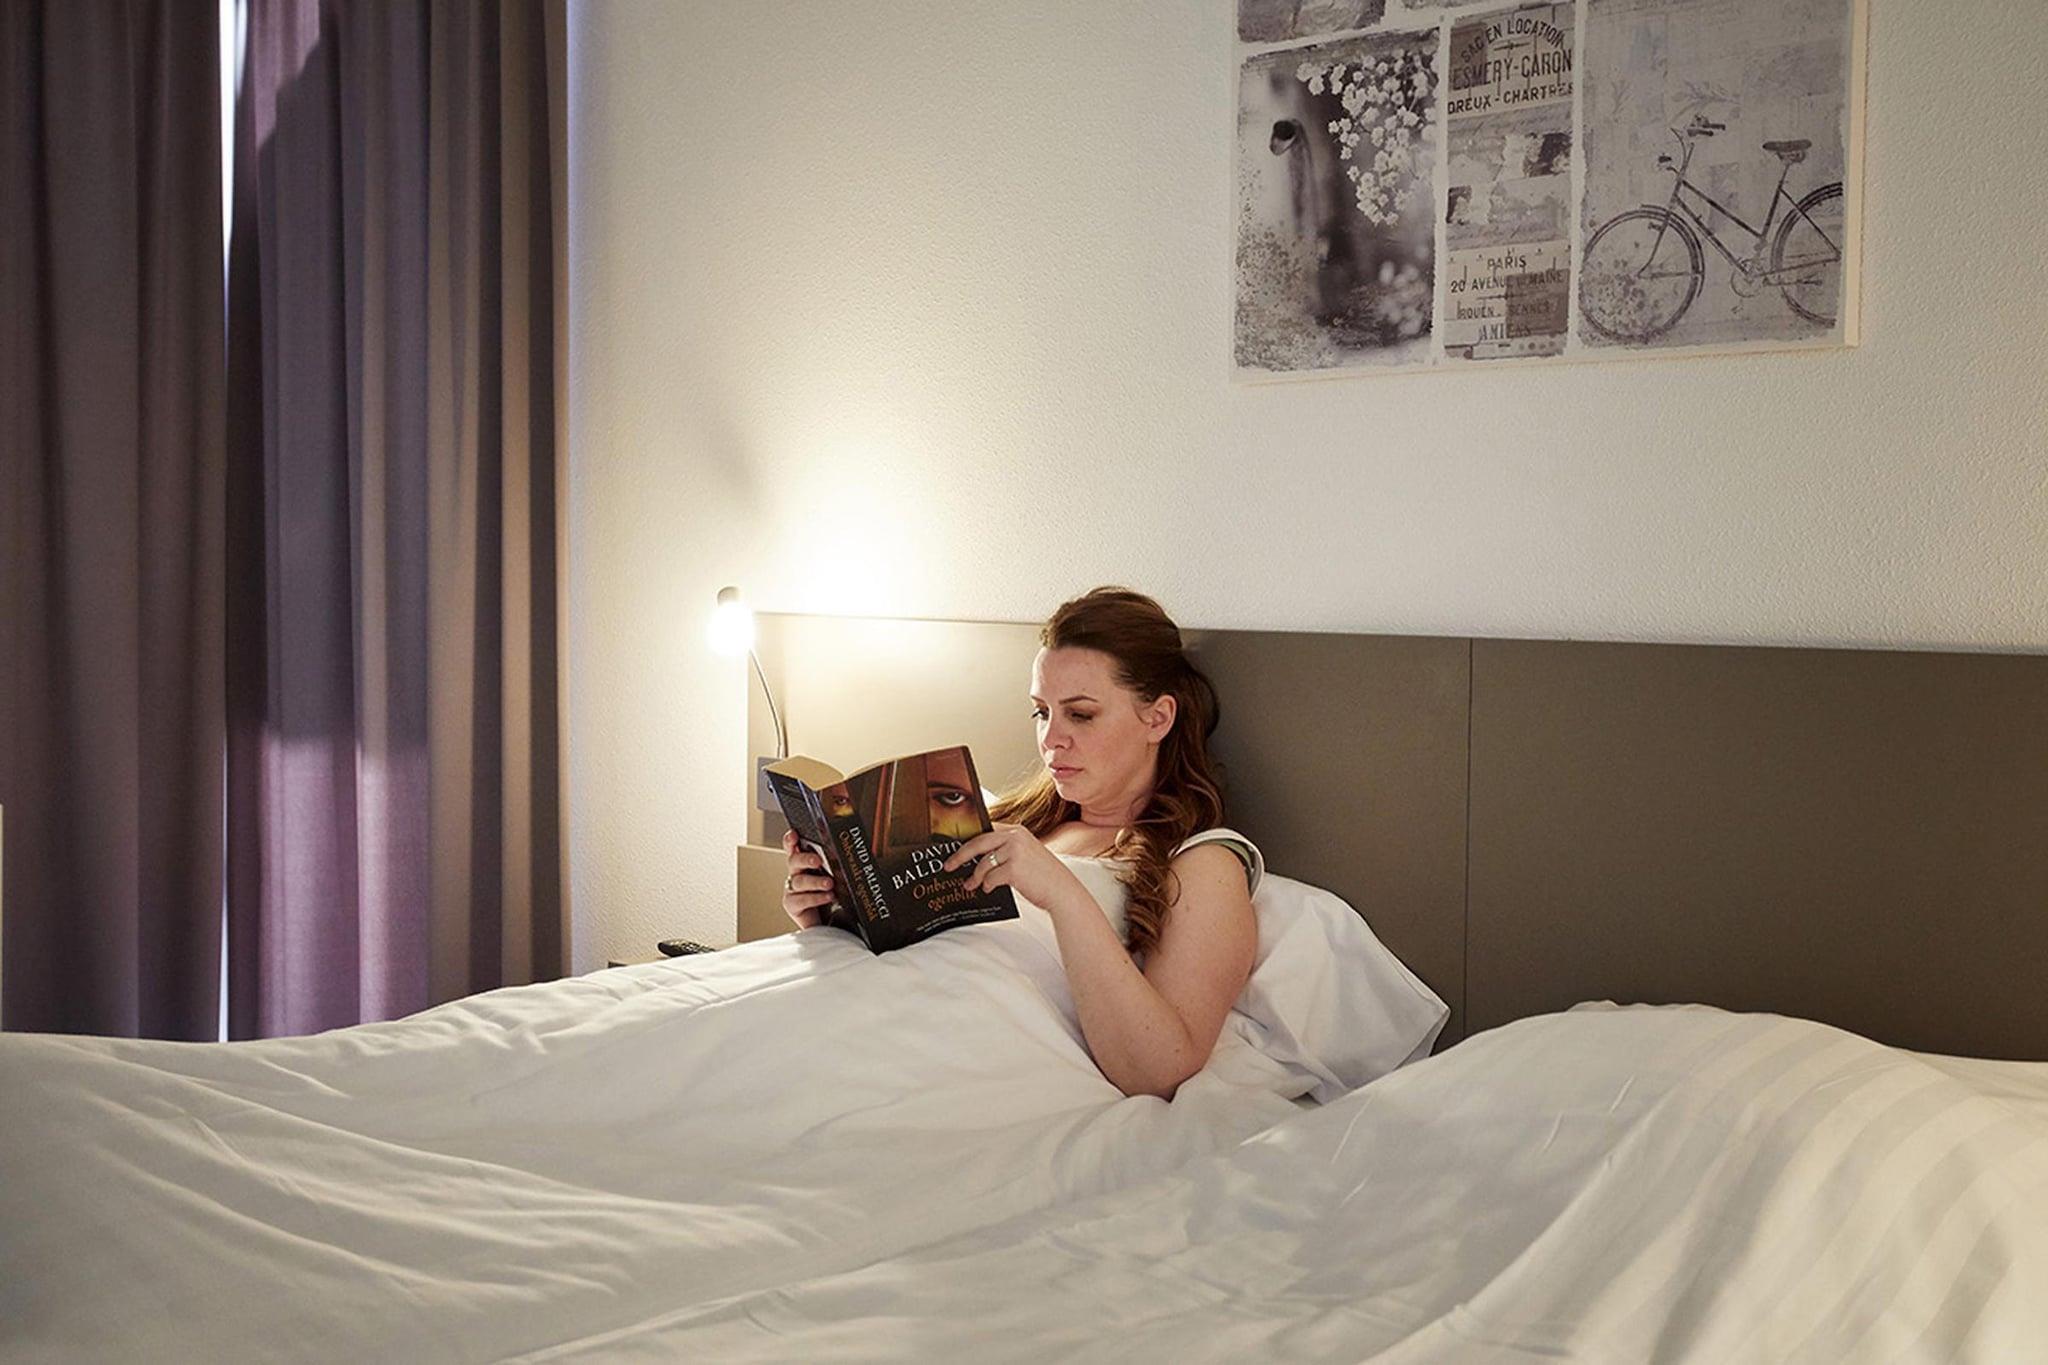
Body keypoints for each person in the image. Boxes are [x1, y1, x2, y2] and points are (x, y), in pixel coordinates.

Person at [780, 587, 1262, 1101]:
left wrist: (1061, 891)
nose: (1051, 739)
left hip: (957, 1057)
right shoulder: (1002, 823)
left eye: (1081, 714)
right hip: (869, 1014)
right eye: (1041, 713)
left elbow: (1159, 1072)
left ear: (1157, 719)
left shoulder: (1202, 863)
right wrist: (825, 916)